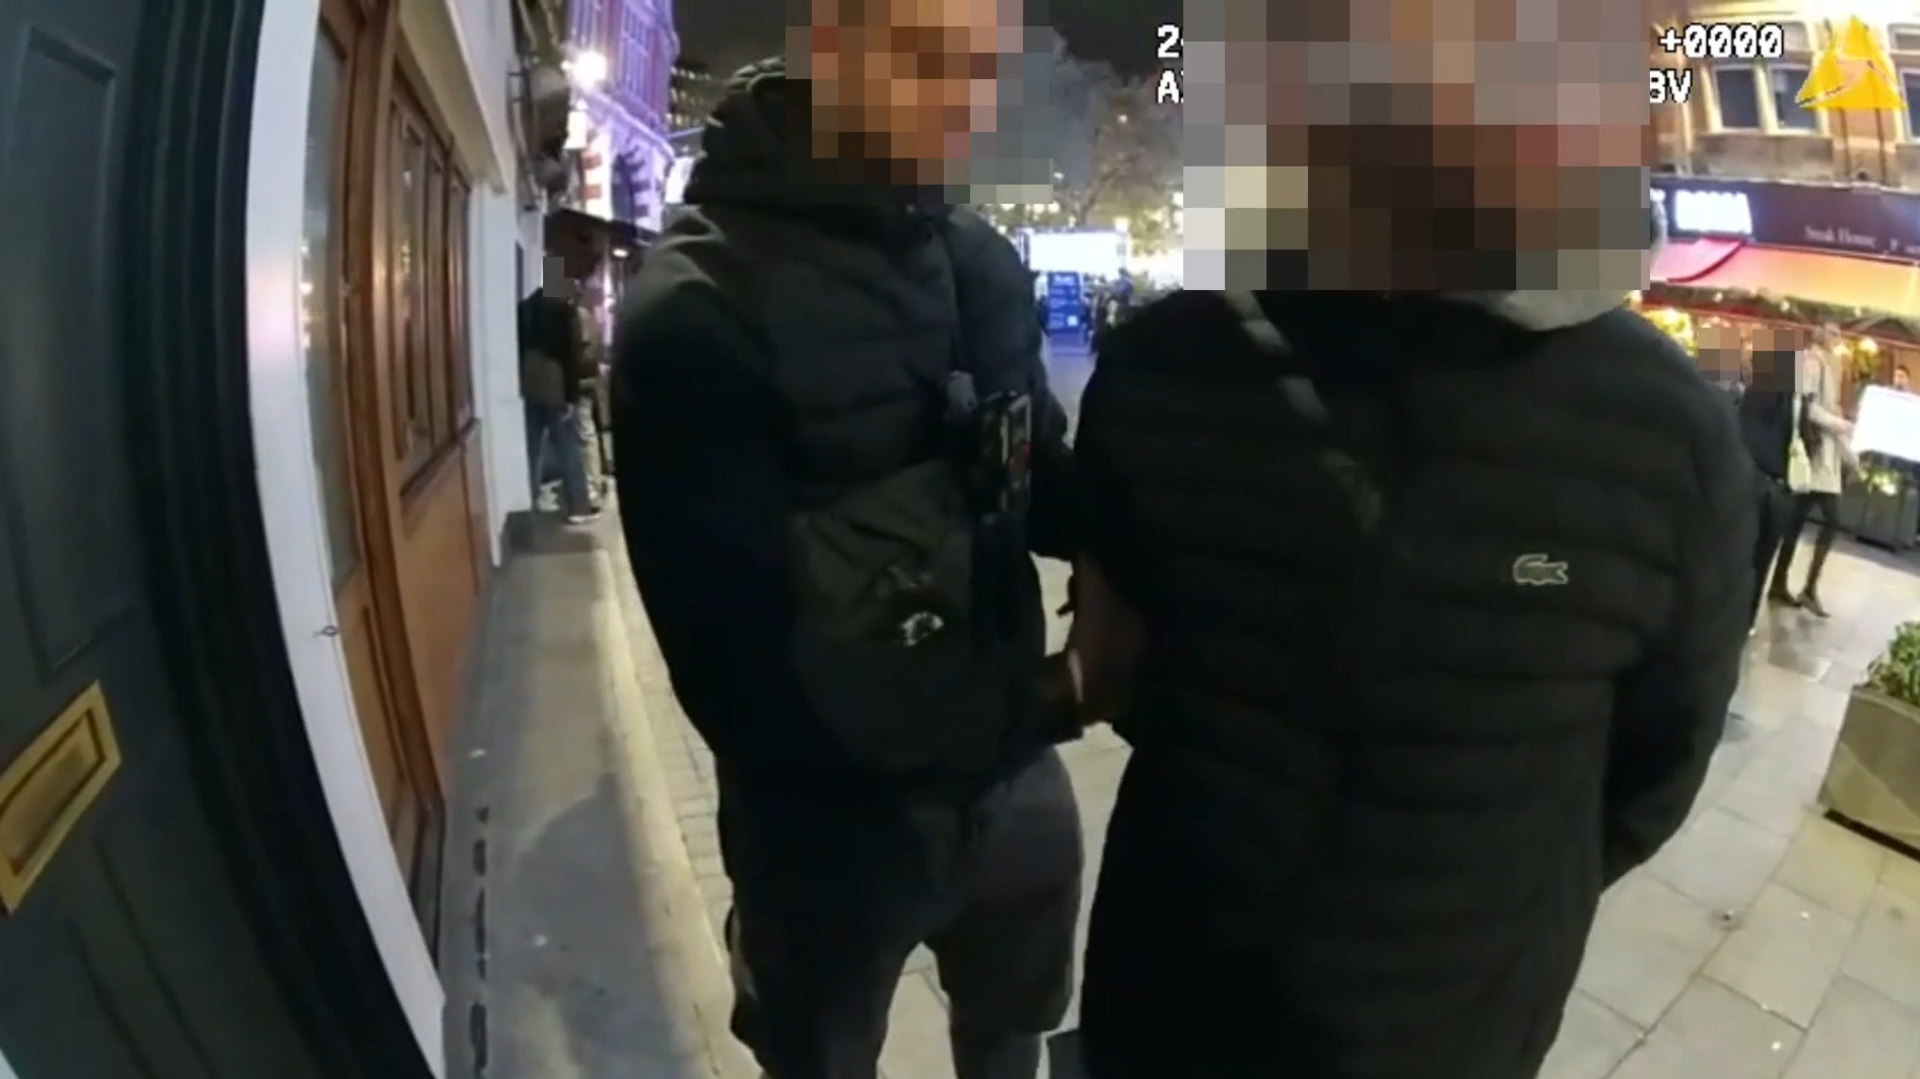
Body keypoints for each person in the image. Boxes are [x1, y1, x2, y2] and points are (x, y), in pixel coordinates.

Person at [1053, 6, 1756, 1077]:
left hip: (1455, 1034)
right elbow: (1120, 663)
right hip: (1166, 1010)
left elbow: (1650, 772)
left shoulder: (1671, 436)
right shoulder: (1166, 366)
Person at [607, 12, 1082, 1078]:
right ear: (827, 46)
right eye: (923, 57)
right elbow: (740, 684)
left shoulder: (981, 265)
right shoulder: (695, 314)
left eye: (979, 66)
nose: (960, 98)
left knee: (1012, 1040)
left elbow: (1046, 487)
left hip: (1014, 800)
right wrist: (1058, 696)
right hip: (823, 845)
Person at [1769, 330, 1857, 617]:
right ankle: (1791, 584)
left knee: (1809, 521)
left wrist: (1851, 457)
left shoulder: (1830, 364)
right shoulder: (1811, 362)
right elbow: (1807, 408)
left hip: (1825, 458)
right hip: (1815, 455)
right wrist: (1838, 424)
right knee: (1814, 521)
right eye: (1832, 333)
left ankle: (1795, 585)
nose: (1837, 339)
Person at [517, 269, 599, 523]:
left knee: (531, 447)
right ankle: (578, 506)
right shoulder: (564, 311)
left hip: (529, 380)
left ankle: (530, 500)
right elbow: (570, 357)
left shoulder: (526, 306)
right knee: (568, 446)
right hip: (556, 383)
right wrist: (571, 398)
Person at [1740, 331, 1800, 621]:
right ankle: (1746, 615)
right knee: (1759, 557)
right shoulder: (1781, 389)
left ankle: (1740, 614)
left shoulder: (1761, 388)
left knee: (1743, 553)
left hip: (1753, 479)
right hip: (1771, 484)